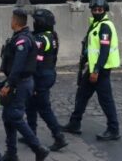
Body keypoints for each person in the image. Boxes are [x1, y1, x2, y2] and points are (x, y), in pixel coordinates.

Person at [62, 0, 121, 141]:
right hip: (93, 68)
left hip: (101, 70)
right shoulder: (96, 24)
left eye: (99, 10)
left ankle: (114, 129)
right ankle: (74, 124)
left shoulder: (105, 26)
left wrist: (96, 71)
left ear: (105, 10)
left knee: (105, 100)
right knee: (81, 95)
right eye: (94, 10)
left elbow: (104, 51)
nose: (96, 12)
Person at [0, 8, 51, 161]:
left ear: (15, 21)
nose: (11, 22)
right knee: (7, 117)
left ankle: (38, 148)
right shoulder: (20, 37)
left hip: (20, 83)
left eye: (12, 19)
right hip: (18, 82)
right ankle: (11, 153)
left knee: (15, 116)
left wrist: (8, 84)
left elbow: (18, 66)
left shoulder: (23, 40)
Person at [26, 9, 68, 152]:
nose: (34, 24)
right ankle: (30, 134)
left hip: (41, 76)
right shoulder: (52, 36)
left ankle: (59, 137)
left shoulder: (41, 39)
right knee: (30, 104)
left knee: (44, 109)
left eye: (36, 21)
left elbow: (35, 61)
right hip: (48, 73)